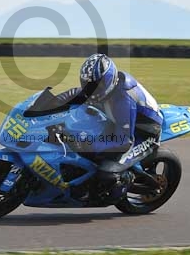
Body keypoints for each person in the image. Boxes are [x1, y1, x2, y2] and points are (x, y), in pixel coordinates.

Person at [53, 53, 164, 200]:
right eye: (87, 84)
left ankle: (122, 185)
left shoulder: (123, 101)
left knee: (106, 172)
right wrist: (51, 103)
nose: (90, 89)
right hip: (120, 122)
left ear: (107, 81)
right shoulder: (102, 88)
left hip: (143, 131)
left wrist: (85, 145)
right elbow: (75, 94)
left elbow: (123, 142)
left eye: (95, 85)